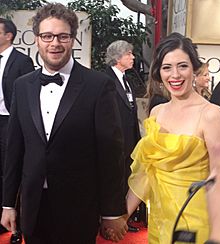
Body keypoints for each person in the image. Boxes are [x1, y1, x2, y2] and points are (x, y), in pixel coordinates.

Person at [0, 3, 128, 244]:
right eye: (47, 36)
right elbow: (14, 149)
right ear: (37, 39)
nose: (54, 43)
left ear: (73, 39)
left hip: (79, 207)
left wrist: (112, 211)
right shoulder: (22, 85)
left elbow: (111, 153)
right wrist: (8, 204)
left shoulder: (98, 86)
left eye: (62, 36)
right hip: (33, 205)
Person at [123, 32, 220, 243]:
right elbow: (145, 171)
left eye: (182, 66)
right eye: (167, 67)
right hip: (160, 217)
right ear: (159, 72)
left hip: (196, 218)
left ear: (194, 68)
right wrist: (121, 216)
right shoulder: (157, 112)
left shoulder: (210, 113)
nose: (175, 75)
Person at [0, 17, 34, 242]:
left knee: (12, 172)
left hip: (11, 122)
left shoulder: (22, 61)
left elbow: (29, 96)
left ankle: (17, 226)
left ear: (8, 36)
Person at [105, 40, 143, 232]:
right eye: (129, 54)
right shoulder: (105, 79)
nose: (133, 57)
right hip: (113, 140)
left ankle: (121, 218)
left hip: (129, 140)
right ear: (118, 57)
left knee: (125, 177)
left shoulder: (127, 80)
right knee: (113, 178)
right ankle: (108, 218)